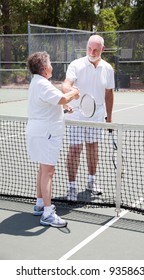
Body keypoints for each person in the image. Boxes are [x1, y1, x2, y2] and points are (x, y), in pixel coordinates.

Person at [26, 51, 80, 227]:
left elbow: (49, 105)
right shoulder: (43, 84)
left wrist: (64, 109)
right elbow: (63, 98)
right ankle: (48, 214)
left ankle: (40, 204)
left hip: (40, 130)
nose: (52, 66)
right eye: (49, 63)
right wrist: (74, 92)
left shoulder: (37, 82)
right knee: (48, 171)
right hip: (46, 133)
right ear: (44, 68)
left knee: (43, 169)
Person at [62, 34, 115, 201]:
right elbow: (66, 84)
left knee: (93, 147)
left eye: (96, 49)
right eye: (89, 49)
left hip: (97, 114)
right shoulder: (76, 64)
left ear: (102, 50)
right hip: (77, 113)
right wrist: (69, 91)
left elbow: (109, 93)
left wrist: (109, 117)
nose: (92, 52)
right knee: (75, 149)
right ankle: (72, 187)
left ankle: (91, 181)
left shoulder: (107, 68)